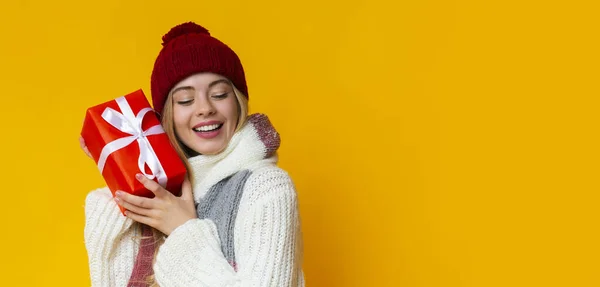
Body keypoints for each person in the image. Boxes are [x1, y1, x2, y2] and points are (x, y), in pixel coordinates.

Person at [80, 21, 305, 287]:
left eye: (219, 94)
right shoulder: (158, 196)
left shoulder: (266, 187)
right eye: (185, 100)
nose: (204, 108)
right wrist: (120, 180)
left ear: (238, 101)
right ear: (165, 117)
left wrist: (183, 230)